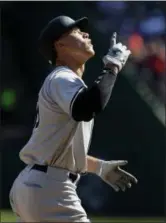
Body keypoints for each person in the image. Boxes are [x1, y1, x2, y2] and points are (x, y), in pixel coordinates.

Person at [9, 15, 138, 222]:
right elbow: (88, 107)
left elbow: (57, 151)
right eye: (76, 32)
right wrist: (112, 65)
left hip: (36, 185)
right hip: (49, 189)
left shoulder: (65, 83)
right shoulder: (62, 77)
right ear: (59, 45)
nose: (86, 33)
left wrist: (99, 167)